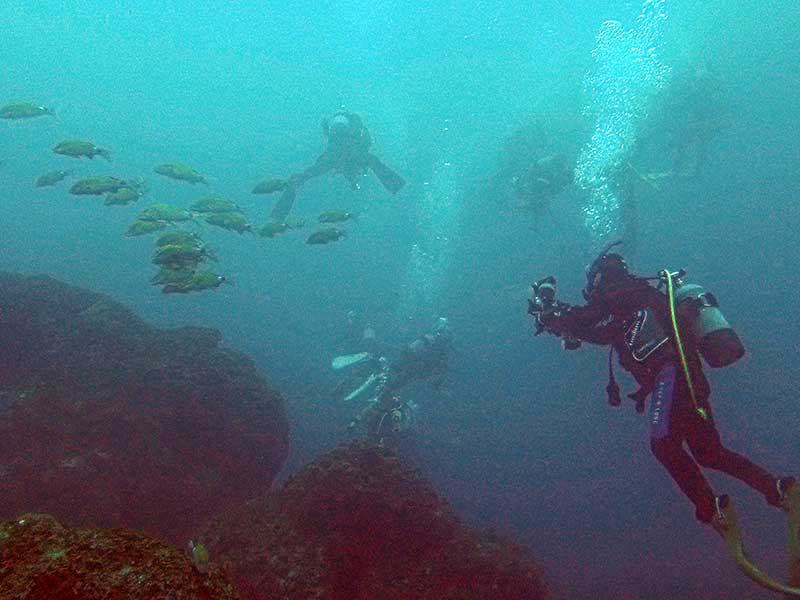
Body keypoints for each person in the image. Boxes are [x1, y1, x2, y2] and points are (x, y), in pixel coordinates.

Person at [527, 242, 795, 525]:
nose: (592, 291)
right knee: (709, 452)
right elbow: (604, 333)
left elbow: (586, 318)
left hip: (670, 376)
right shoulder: (638, 299)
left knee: (663, 445)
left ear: (600, 276)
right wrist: (560, 321)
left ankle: (711, 508)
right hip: (690, 378)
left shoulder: (617, 289)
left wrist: (550, 309)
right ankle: (775, 488)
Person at [332, 317, 453, 442]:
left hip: (409, 371)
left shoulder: (432, 343)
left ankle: (371, 370)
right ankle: (372, 367)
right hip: (411, 372)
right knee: (388, 384)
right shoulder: (436, 345)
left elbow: (414, 355)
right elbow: (437, 367)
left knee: (387, 385)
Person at [271, 111, 406, 221]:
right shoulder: (359, 154)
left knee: (306, 175)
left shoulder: (339, 155)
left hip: (335, 153)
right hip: (344, 153)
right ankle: (399, 188)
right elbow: (354, 163)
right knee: (372, 162)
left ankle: (281, 210)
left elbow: (326, 165)